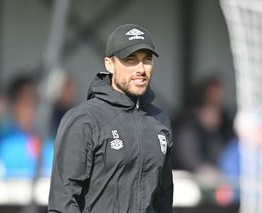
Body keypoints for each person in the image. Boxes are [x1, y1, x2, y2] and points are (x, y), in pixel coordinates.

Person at [48, 24, 173, 213]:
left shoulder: (160, 121)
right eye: (130, 59)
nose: (141, 69)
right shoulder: (84, 120)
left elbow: (164, 200)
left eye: (146, 60)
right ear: (109, 64)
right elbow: (63, 203)